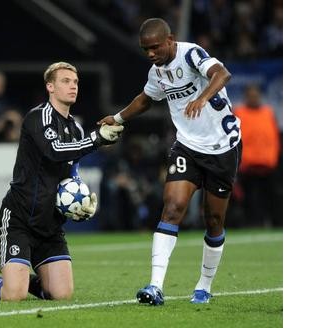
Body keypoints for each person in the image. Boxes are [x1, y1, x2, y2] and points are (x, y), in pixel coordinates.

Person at [0, 62, 124, 302]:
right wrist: (96, 139)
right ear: (50, 86)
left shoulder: (75, 128)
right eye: (65, 81)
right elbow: (54, 150)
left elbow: (71, 171)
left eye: (75, 82)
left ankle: (23, 279)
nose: (73, 86)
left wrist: (82, 201)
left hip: (50, 226)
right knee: (13, 295)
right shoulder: (38, 117)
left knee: (61, 294)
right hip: (19, 219)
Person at [98, 18, 242, 305]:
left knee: (213, 220)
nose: (150, 54)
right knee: (172, 207)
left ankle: (204, 284)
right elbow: (145, 99)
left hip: (222, 148)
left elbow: (222, 74)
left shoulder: (190, 53)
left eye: (154, 47)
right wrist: (117, 118)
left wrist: (201, 98)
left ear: (170, 40)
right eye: (145, 49)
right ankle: (155, 286)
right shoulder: (157, 72)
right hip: (187, 147)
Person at [234, 84, 280, 227]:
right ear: (245, 97)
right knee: (250, 199)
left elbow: (274, 137)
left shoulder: (268, 113)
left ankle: (275, 223)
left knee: (273, 197)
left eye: (256, 95)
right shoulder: (238, 113)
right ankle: (253, 224)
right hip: (247, 167)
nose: (254, 98)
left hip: (268, 165)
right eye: (251, 95)